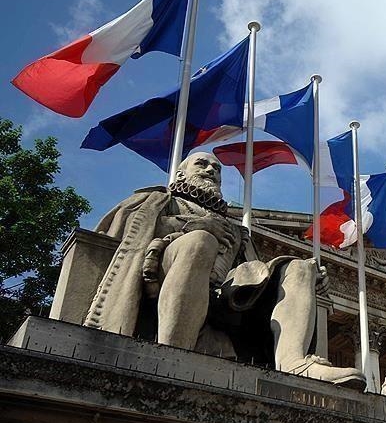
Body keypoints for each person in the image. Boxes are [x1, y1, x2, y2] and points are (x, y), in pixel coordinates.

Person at [82, 152, 364, 388]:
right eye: (202, 164)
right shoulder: (160, 202)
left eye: (216, 168)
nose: (211, 170)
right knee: (199, 242)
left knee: (300, 267)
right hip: (163, 275)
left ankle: (293, 363)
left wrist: (309, 285)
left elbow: (252, 275)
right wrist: (194, 226)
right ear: (180, 174)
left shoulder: (236, 231)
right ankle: (172, 356)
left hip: (224, 297)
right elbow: (127, 235)